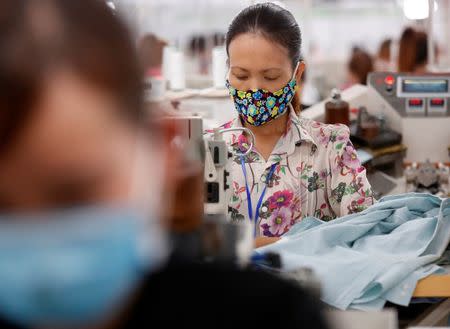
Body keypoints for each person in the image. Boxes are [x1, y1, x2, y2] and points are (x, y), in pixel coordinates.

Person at [0, 1, 330, 329]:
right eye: (4, 210)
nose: (45, 252)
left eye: (74, 196)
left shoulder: (270, 316)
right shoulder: (214, 147)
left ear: (161, 151)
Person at [221, 3, 374, 248]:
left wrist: (255, 247)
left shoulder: (330, 147)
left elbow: (366, 230)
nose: (253, 90)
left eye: (270, 77)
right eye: (240, 75)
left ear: (297, 74)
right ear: (228, 71)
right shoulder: (207, 148)